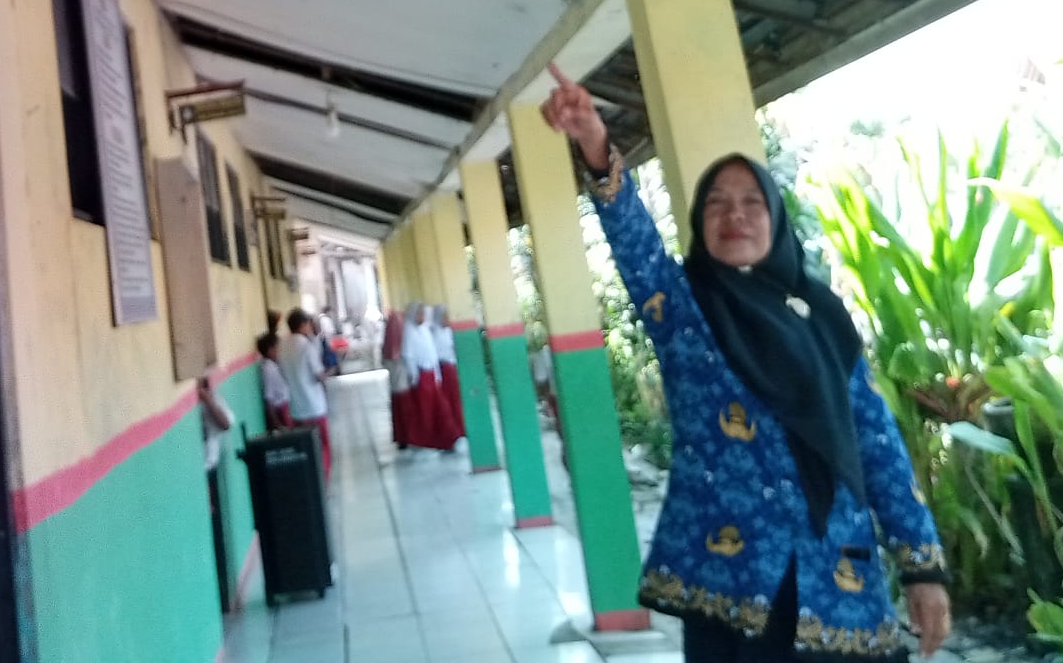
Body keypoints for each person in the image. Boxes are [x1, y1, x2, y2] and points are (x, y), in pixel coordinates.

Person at [541, 64, 952, 663]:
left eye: (751, 202)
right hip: (731, 586)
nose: (734, 215)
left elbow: (877, 442)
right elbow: (636, 245)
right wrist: (595, 145)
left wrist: (922, 568)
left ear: (775, 218)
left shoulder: (824, 318)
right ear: (699, 222)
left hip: (837, 580)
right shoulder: (685, 310)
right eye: (716, 203)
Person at [399, 301, 462, 452]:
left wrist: (436, 374)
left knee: (440, 408)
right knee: (425, 411)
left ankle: (448, 437)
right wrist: (415, 376)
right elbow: (408, 356)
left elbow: (432, 353)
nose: (423, 317)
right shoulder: (409, 332)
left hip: (432, 373)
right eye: (420, 314)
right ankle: (427, 440)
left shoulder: (425, 330)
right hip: (421, 375)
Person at [197, 370, 236, 610]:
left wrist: (206, 399)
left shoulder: (211, 399)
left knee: (215, 532)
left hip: (208, 472)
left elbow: (226, 423)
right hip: (196, 476)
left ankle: (222, 596)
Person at [282, 307, 332, 479]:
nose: (310, 327)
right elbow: (319, 375)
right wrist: (329, 373)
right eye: (309, 324)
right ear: (303, 324)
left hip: (296, 408)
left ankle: (308, 479)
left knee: (304, 448)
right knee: (321, 446)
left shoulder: (282, 345)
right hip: (314, 406)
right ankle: (322, 479)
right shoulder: (306, 346)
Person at [382, 307, 414, 448]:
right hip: (400, 382)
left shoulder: (388, 347)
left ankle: (402, 437)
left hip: (395, 384)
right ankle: (407, 436)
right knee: (404, 407)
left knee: (398, 407)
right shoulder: (399, 351)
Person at [430, 304, 465, 435]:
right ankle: (452, 430)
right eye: (445, 317)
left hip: (453, 368)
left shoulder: (449, 331)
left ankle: (460, 427)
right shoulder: (435, 334)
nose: (448, 319)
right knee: (448, 401)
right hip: (444, 370)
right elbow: (434, 356)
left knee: (457, 400)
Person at [257, 330, 292, 431]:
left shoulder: (272, 365)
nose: (281, 350)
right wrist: (277, 424)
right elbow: (269, 398)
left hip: (283, 408)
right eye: (278, 347)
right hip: (280, 411)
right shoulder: (268, 369)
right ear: (270, 350)